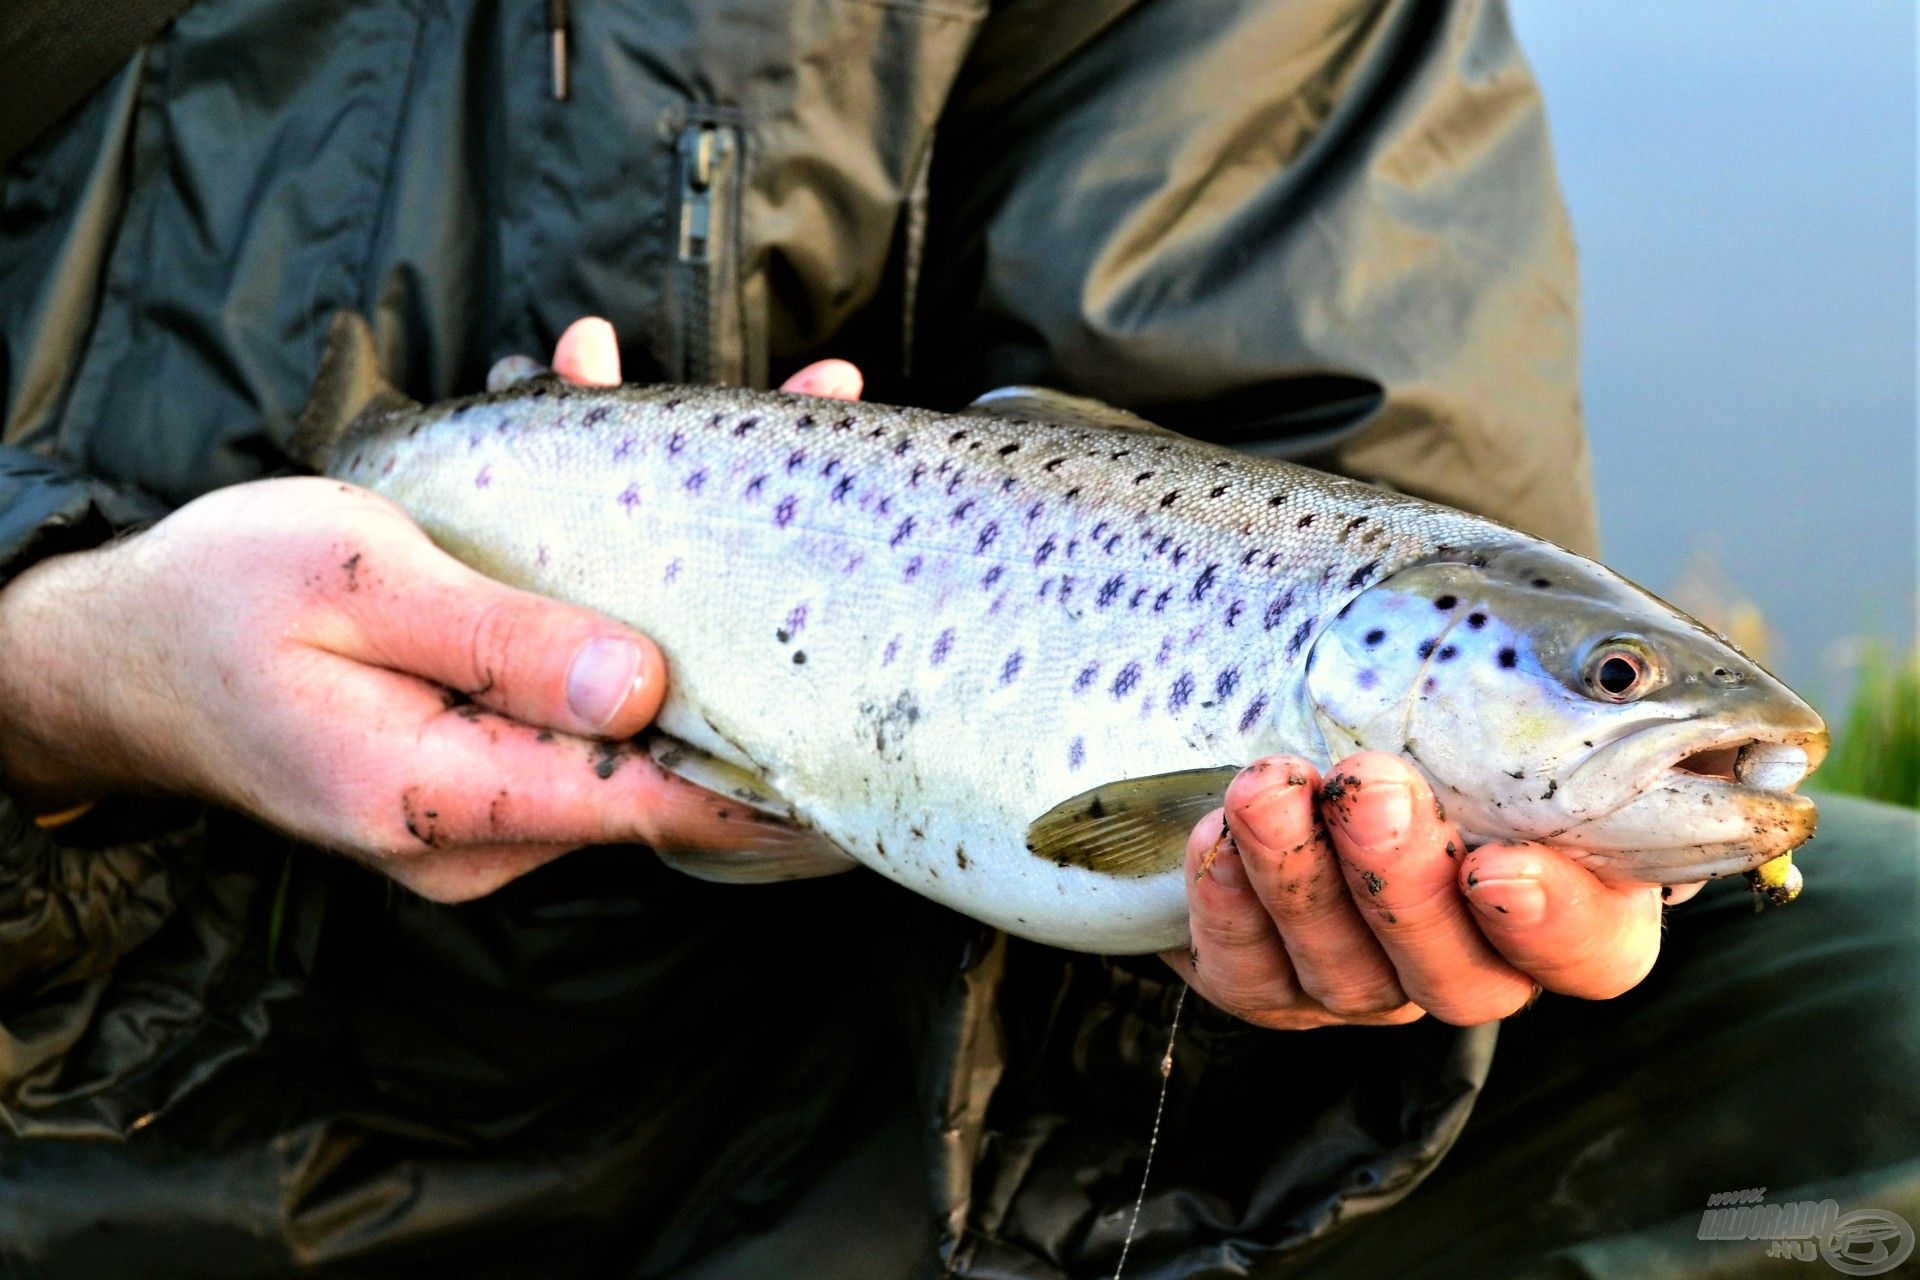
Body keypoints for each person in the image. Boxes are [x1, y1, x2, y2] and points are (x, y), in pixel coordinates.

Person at [0, 1, 1913, 1276]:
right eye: (1621, 684)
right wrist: (63, 682)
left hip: (914, 1121)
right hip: (90, 1123)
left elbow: (1360, 440)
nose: (1683, 725)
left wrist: (1313, 994)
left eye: (1611, 682)